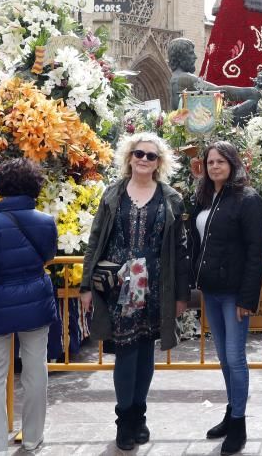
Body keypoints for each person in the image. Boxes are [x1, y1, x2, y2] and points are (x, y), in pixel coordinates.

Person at [79, 132, 190, 451]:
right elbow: (95, 238)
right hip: (120, 288)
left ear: (159, 162)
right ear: (129, 158)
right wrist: (86, 284)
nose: (143, 159)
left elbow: (180, 250)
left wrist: (181, 294)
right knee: (126, 351)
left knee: (145, 350)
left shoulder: (171, 198)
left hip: (156, 285)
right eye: (138, 154)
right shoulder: (113, 193)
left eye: (151, 156)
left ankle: (139, 416)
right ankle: (124, 420)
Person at [0, 158, 57, 456]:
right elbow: (49, 257)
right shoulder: (45, 222)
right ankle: (32, 438)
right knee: (35, 369)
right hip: (35, 301)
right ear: (34, 185)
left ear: (0, 187)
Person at [188, 141, 262, 456]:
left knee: (235, 359)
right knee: (224, 358)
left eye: (221, 161)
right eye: (210, 162)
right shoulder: (205, 197)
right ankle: (230, 411)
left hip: (235, 294)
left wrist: (248, 298)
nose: (215, 166)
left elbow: (256, 252)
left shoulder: (247, 200)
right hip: (212, 291)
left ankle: (239, 423)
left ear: (233, 164)